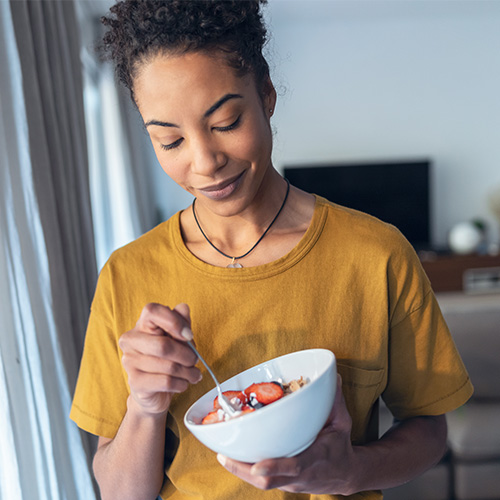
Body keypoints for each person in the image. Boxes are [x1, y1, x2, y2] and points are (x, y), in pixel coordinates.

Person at [70, 1, 473, 499]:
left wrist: (353, 471)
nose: (205, 162)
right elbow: (119, 492)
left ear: (266, 94)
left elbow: (430, 430)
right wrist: (145, 406)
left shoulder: (377, 255)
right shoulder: (127, 275)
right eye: (170, 141)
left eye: (225, 122)